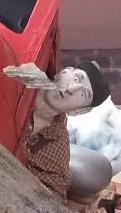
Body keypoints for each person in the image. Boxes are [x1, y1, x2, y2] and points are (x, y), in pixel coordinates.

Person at [23, 62, 110, 199]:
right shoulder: (22, 75)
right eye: (76, 78)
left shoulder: (57, 143)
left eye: (83, 94)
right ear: (65, 71)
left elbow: (52, 197)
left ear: (80, 110)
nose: (72, 89)